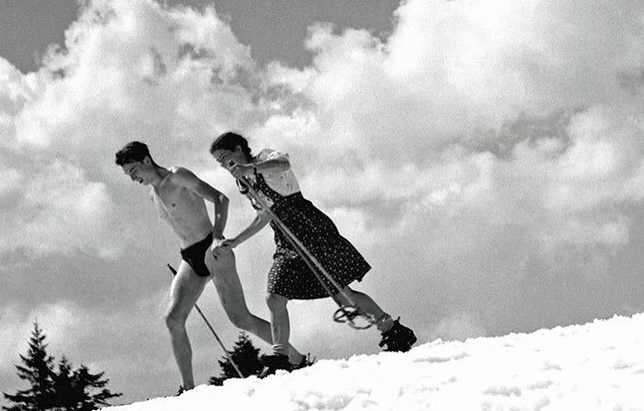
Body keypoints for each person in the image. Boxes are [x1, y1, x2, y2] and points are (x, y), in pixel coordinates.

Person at [209, 131, 417, 364]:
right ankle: (281, 356)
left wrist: (250, 169)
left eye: (226, 157)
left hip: (310, 229)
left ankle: (392, 329)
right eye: (220, 163)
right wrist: (237, 240)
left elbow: (283, 164)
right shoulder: (243, 183)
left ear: (238, 149)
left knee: (342, 293)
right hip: (285, 239)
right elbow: (264, 214)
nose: (225, 165)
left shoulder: (264, 159)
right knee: (274, 296)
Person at [114, 141, 306, 390]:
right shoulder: (154, 193)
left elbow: (220, 199)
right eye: (129, 175)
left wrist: (217, 235)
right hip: (189, 257)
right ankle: (188, 388)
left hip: (212, 247)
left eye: (134, 171)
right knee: (173, 319)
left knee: (241, 318)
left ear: (146, 161)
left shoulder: (177, 176)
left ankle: (297, 359)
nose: (133, 179)